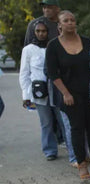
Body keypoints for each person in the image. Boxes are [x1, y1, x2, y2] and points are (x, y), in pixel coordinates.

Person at [46, 10, 90, 179]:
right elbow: (53, 74)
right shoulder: (53, 46)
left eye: (72, 20)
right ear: (59, 25)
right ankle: (82, 164)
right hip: (70, 95)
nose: (70, 23)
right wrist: (65, 93)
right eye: (66, 20)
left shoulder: (87, 42)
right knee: (77, 129)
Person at [20, 22, 59, 161]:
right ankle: (50, 150)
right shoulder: (28, 50)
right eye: (38, 31)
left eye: (43, 31)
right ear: (34, 32)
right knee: (46, 122)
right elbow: (24, 73)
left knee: (62, 120)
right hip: (39, 92)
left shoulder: (54, 45)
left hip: (56, 89)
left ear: (47, 32)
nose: (41, 33)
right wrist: (26, 95)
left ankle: (73, 150)